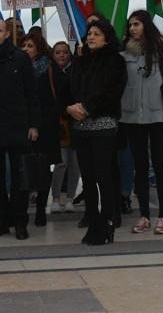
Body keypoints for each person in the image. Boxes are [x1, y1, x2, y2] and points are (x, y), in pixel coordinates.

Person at [120, 11, 163, 236]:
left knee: (160, 165)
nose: (132, 28)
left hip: (158, 114)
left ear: (146, 26)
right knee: (139, 167)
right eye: (130, 25)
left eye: (137, 24)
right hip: (132, 116)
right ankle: (143, 216)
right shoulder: (124, 53)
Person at [0, 18, 43, 240]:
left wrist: (34, 124)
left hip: (18, 125)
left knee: (20, 177)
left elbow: (32, 94)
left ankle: (20, 221)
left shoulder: (20, 58)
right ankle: (1, 220)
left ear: (7, 34)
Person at [66, 20, 128, 246]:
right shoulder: (80, 61)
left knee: (104, 176)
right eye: (89, 33)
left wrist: (87, 108)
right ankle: (93, 223)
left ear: (107, 37)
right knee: (88, 178)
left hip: (103, 127)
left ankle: (107, 222)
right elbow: (70, 88)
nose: (91, 37)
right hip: (80, 129)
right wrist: (70, 107)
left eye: (97, 33)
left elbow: (110, 92)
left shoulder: (115, 61)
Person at [19, 32, 61, 228]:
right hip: (24, 126)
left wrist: (42, 123)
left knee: (44, 170)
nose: (26, 49)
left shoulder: (49, 68)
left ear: (39, 48)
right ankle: (23, 209)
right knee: (26, 168)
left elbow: (57, 98)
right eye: (23, 46)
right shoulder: (18, 68)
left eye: (30, 46)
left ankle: (41, 209)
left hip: (47, 127)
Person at [47, 40, 80, 214]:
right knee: (61, 163)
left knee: (75, 164)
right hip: (58, 123)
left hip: (76, 121)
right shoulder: (50, 72)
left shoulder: (76, 71)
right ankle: (56, 197)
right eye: (58, 52)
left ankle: (70, 198)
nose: (61, 55)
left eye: (65, 52)